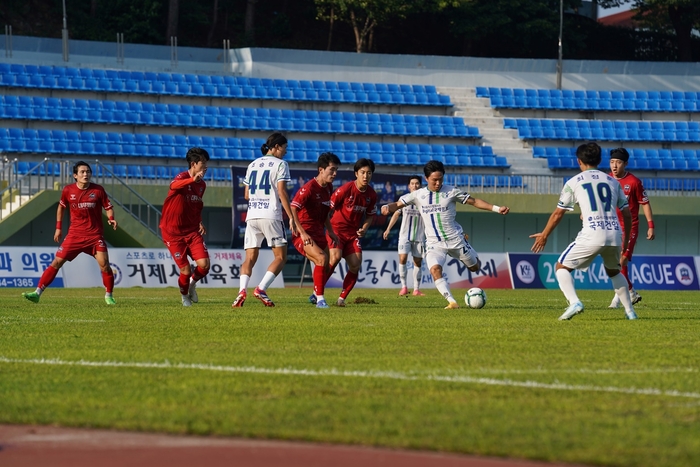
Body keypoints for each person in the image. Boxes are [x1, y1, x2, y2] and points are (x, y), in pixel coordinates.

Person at [530, 142, 638, 321]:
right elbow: (627, 214)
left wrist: (544, 235)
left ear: (579, 161)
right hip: (614, 233)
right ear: (601, 160)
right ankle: (630, 312)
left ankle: (574, 302)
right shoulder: (612, 181)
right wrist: (625, 241)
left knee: (561, 267)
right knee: (614, 272)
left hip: (592, 233)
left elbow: (558, 214)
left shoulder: (573, 183)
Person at [381, 160, 510, 309]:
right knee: (435, 270)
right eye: (434, 180)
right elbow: (397, 205)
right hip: (434, 244)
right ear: (426, 178)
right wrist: (386, 207)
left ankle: (470, 258)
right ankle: (452, 302)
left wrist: (496, 208)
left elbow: (474, 202)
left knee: (475, 267)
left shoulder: (451, 191)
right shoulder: (418, 195)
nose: (438, 183)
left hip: (456, 240)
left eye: (440, 179)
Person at [22, 161, 118, 305]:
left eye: (88, 172)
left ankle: (109, 296)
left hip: (94, 235)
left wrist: (111, 218)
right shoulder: (68, 190)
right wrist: (58, 228)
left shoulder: (98, 190)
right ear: (75, 175)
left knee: (104, 264)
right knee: (57, 262)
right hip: (75, 235)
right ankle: (37, 293)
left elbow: (108, 207)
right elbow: (61, 208)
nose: (86, 174)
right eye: (82, 172)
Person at [232, 132, 298, 308]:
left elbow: (246, 194)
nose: (285, 152)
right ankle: (261, 288)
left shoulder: (252, 164)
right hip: (271, 215)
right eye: (284, 148)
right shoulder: (281, 164)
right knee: (281, 257)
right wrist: (291, 217)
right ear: (276, 147)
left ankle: (241, 291)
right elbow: (282, 192)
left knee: (250, 258)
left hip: (252, 216)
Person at [322, 158, 378, 307]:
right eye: (362, 173)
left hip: (352, 234)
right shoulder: (345, 189)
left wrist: (364, 228)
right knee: (335, 258)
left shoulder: (371, 195)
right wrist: (328, 229)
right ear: (356, 174)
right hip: (336, 231)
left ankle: (341, 299)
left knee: (355, 264)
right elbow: (327, 209)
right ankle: (318, 293)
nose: (366, 176)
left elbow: (370, 215)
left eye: (369, 173)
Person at [160, 147, 211, 307]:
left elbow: (195, 205)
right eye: (203, 164)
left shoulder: (202, 185)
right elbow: (173, 186)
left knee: (205, 265)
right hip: (172, 233)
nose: (206, 168)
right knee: (186, 270)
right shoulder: (182, 178)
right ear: (194, 164)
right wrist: (192, 179)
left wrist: (199, 221)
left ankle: (191, 285)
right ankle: (184, 297)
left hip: (191, 230)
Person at [290, 152, 341, 309]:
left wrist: (331, 231)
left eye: (336, 170)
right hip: (304, 233)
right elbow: (293, 208)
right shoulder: (308, 188)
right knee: (321, 258)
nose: (334, 173)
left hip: (319, 232)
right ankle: (320, 300)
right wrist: (302, 232)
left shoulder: (329, 187)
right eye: (331, 170)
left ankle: (315, 293)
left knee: (330, 262)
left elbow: (325, 212)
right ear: (321, 169)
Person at [607, 147, 655, 308]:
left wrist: (651, 225)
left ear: (625, 163)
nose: (614, 166)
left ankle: (622, 297)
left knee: (621, 261)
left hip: (629, 227)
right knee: (616, 263)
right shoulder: (606, 179)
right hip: (611, 226)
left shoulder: (634, 182)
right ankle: (629, 293)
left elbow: (645, 203)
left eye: (618, 162)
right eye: (612, 162)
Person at [383, 175, 425, 296]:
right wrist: (388, 229)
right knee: (402, 259)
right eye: (412, 183)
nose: (415, 185)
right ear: (409, 186)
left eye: (417, 183)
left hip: (419, 236)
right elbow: (396, 214)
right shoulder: (404, 199)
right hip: (404, 235)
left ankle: (416, 289)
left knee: (418, 262)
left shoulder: (424, 200)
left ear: (420, 185)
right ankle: (404, 287)